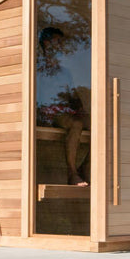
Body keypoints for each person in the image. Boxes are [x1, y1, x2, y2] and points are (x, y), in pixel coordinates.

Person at [36, 26, 90, 186]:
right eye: (57, 41)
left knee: (100, 123)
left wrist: (80, 106)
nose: (60, 46)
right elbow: (36, 96)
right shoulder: (38, 70)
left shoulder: (65, 72)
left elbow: (72, 96)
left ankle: (85, 167)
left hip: (66, 111)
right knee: (77, 124)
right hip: (48, 111)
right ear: (46, 43)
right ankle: (72, 173)